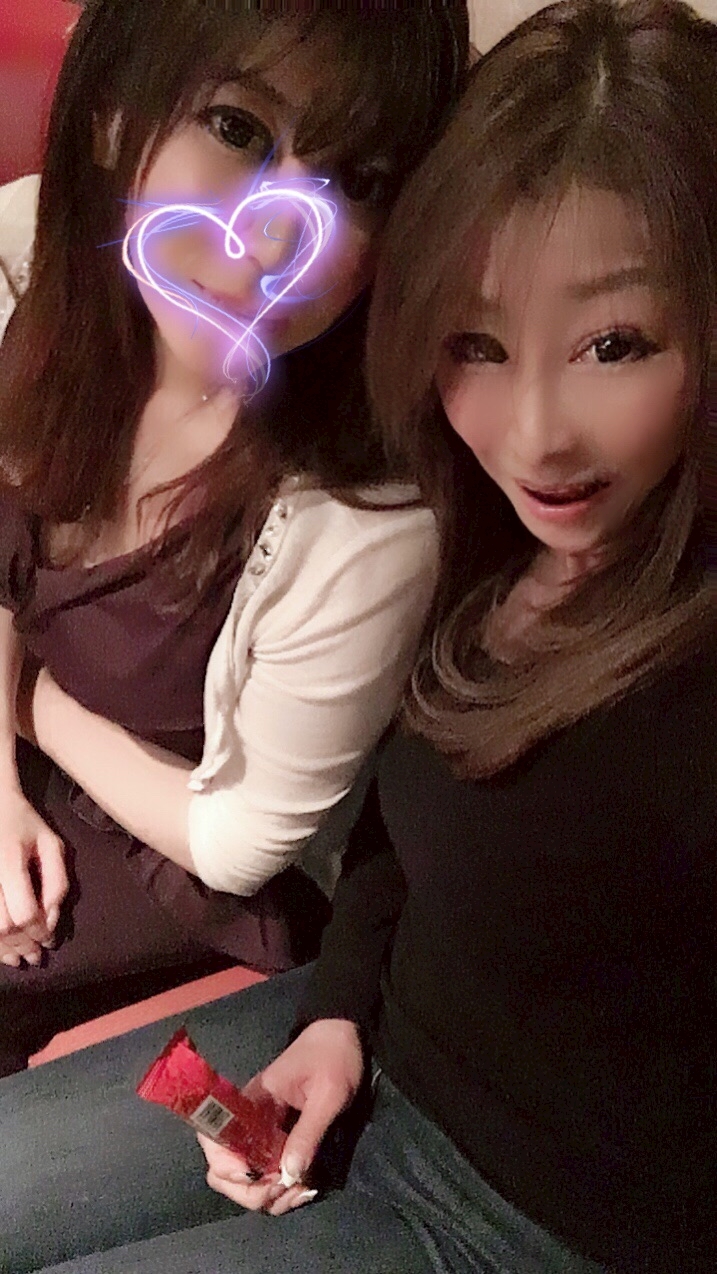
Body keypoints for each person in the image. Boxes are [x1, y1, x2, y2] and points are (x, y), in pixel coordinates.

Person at [1, 0, 714, 1270]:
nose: (534, 433)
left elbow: (249, 838)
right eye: (477, 342)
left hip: (533, 1221)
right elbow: (405, 830)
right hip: (351, 1046)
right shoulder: (505, 539)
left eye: (614, 343)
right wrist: (339, 1012)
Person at [0, 0, 471, 1075]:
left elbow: (241, 840)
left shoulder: (363, 513)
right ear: (113, 112)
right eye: (237, 128)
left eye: (358, 181)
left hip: (176, 866)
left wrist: (33, 710)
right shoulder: (35, 279)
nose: (275, 243)